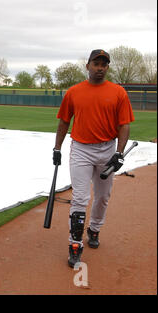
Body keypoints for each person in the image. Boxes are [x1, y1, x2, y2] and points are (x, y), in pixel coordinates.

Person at [53, 49, 134, 267]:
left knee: (103, 196)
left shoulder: (118, 93)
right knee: (80, 198)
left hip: (107, 149)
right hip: (80, 149)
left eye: (104, 65)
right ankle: (75, 244)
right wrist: (57, 148)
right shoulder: (74, 92)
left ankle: (95, 229)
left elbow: (124, 125)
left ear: (107, 68)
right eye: (96, 64)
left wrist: (119, 152)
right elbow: (63, 122)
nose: (100, 68)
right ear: (87, 66)